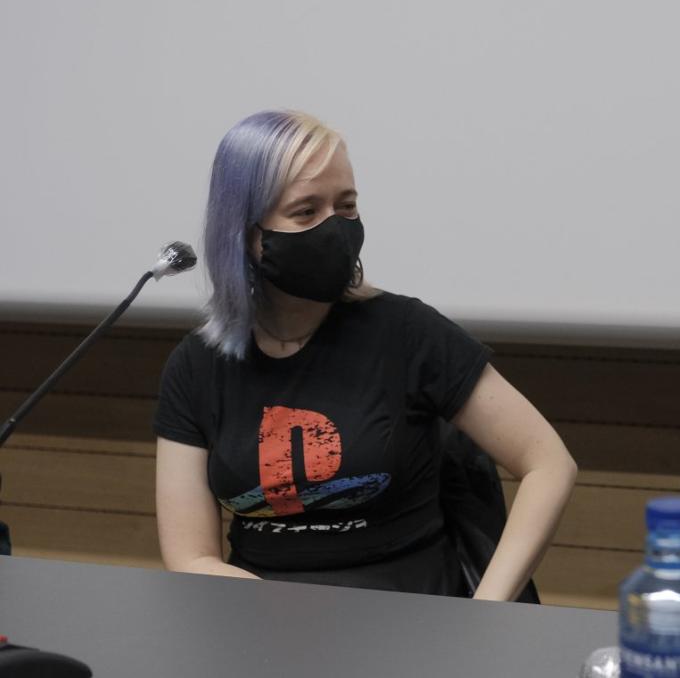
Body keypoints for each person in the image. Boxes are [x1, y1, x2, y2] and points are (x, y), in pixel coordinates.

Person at [154, 110, 577, 600]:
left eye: (346, 206)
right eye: (305, 211)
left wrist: (485, 609)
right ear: (245, 234)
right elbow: (191, 557)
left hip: (411, 614)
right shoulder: (197, 366)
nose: (334, 228)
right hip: (262, 618)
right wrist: (280, 617)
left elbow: (548, 463)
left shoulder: (408, 333)